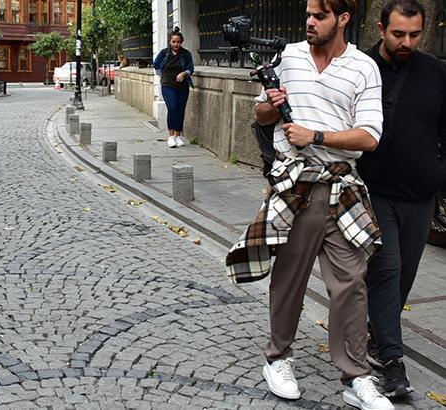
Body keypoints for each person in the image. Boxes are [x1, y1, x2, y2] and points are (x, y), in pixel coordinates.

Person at [225, 0, 394, 409]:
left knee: (351, 285)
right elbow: (263, 116)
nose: (310, 22)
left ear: (343, 19)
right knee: (289, 280)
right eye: (308, 14)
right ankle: (278, 358)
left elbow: (369, 136)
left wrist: (315, 136)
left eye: (319, 15)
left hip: (342, 187)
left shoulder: (363, 67)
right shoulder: (289, 56)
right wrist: (270, 102)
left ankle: (356, 378)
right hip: (295, 185)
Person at [356, 0, 446, 398]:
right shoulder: (360, 67)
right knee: (387, 268)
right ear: (380, 29)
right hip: (375, 190)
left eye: (415, 34)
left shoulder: (435, 71)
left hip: (421, 194)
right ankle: (393, 362)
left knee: (404, 275)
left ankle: (378, 332)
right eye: (398, 34)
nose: (407, 42)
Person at [153, 27, 194, 148]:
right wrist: (162, 76)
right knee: (173, 108)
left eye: (178, 42)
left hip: (182, 86)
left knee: (181, 110)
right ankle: (171, 136)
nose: (176, 44)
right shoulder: (164, 53)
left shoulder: (186, 54)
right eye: (174, 42)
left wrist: (184, 73)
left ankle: (178, 136)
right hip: (168, 85)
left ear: (181, 42)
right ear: (170, 42)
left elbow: (191, 68)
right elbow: (156, 65)